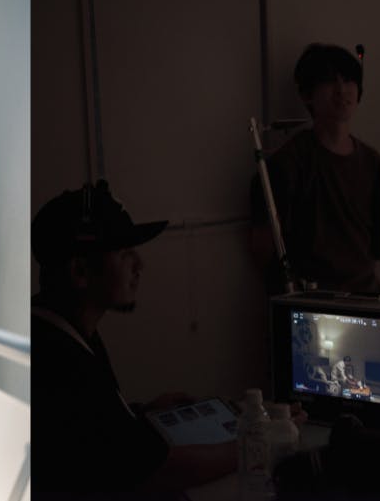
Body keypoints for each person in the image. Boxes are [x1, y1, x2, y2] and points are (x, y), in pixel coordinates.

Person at [31, 181, 238, 497]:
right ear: (80, 272)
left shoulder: (56, 327)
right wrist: (255, 443)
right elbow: (156, 472)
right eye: (124, 253)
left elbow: (91, 436)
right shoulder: (61, 362)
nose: (139, 265)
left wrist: (140, 415)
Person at [255, 43, 380, 295]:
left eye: (348, 80)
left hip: (366, 296)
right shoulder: (289, 162)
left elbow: (374, 245)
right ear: (307, 94)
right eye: (329, 81)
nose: (341, 89)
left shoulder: (372, 161)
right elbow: (264, 246)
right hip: (314, 301)